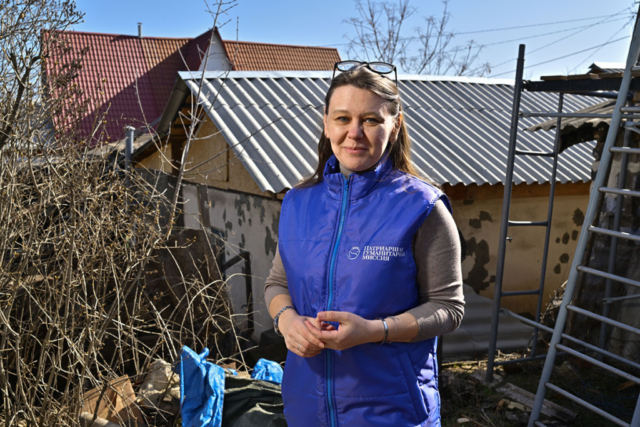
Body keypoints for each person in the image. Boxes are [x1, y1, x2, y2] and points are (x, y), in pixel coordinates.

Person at [264, 62, 465, 427]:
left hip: (392, 412)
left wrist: (375, 331)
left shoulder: (422, 207)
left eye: (371, 120)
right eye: (343, 118)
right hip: (307, 408)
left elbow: (448, 308)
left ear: (395, 125)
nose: (354, 133)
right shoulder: (298, 202)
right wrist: (287, 320)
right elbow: (277, 283)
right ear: (326, 124)